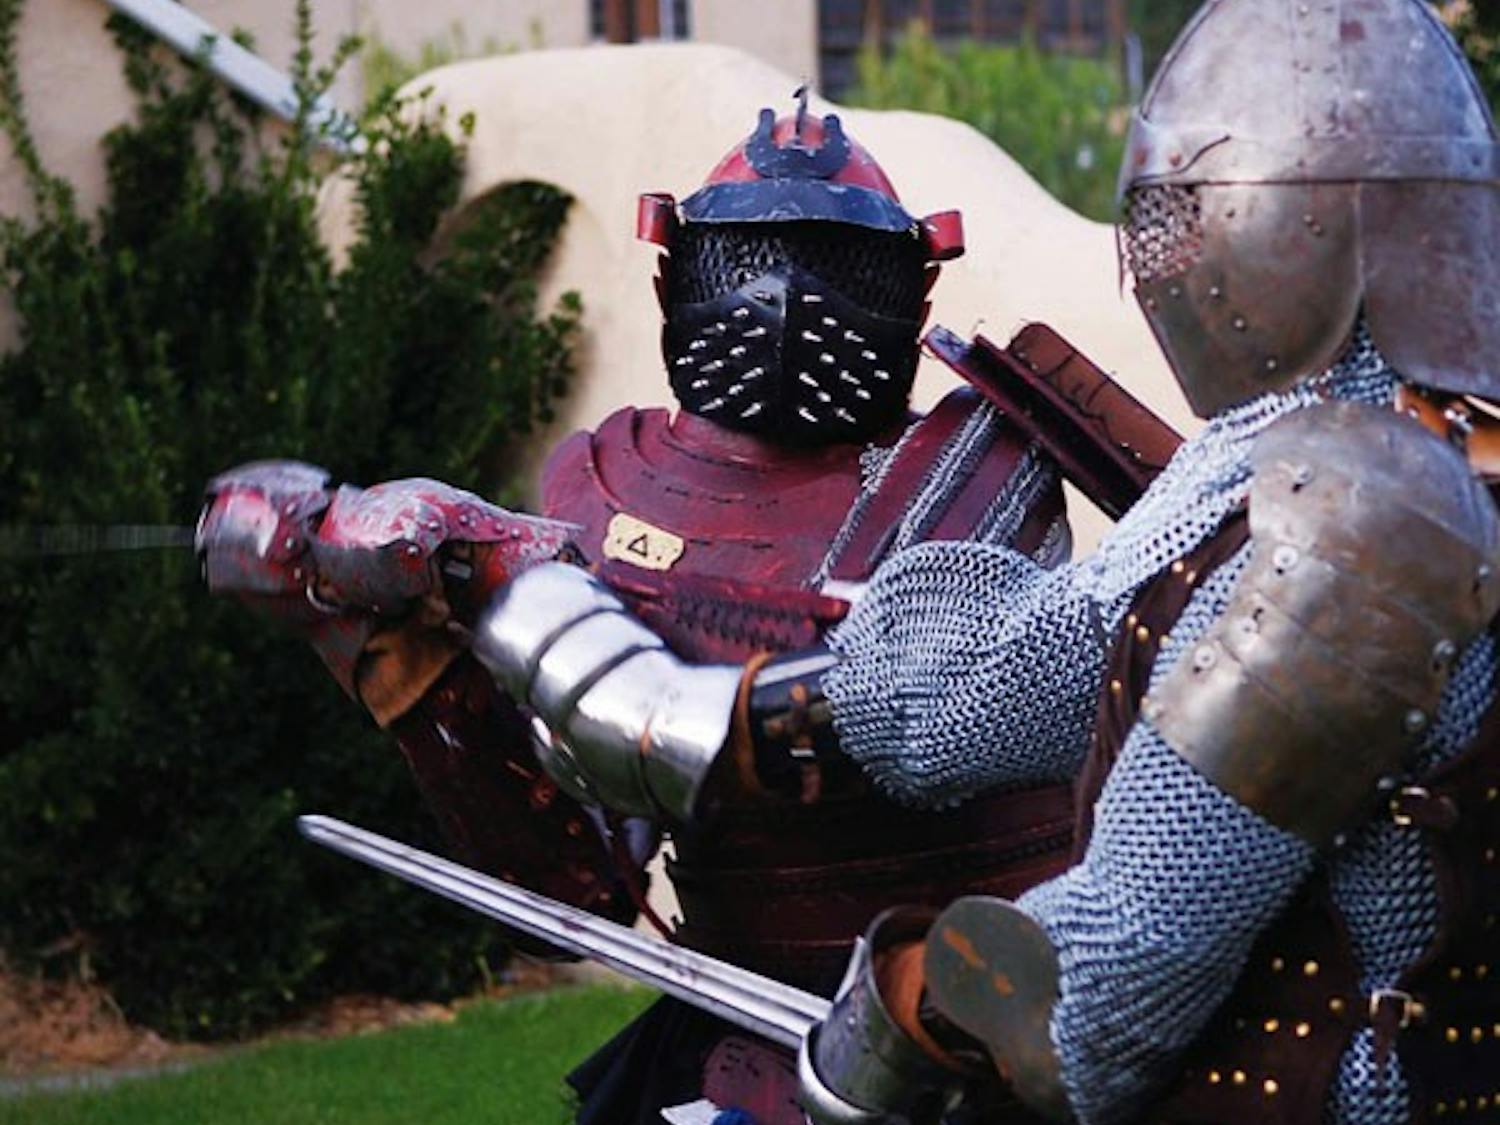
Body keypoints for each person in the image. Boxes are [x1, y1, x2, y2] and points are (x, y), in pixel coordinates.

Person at [477, 2, 1500, 1121]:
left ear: (1281, 228)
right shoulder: (1293, 458)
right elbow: (1045, 656)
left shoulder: (1361, 525)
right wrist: (728, 717)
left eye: (1174, 221)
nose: (1154, 260)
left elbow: (1099, 1000)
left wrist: (902, 1003)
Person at [202, 98, 1105, 1125]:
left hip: (966, 1030)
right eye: (748, 260)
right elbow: (578, 877)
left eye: (829, 263)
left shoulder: (976, 470)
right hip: (739, 1028)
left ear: (914, 284)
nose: (785, 299)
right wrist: (385, 644)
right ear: (677, 272)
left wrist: (502, 567)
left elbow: (898, 716)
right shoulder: (607, 480)